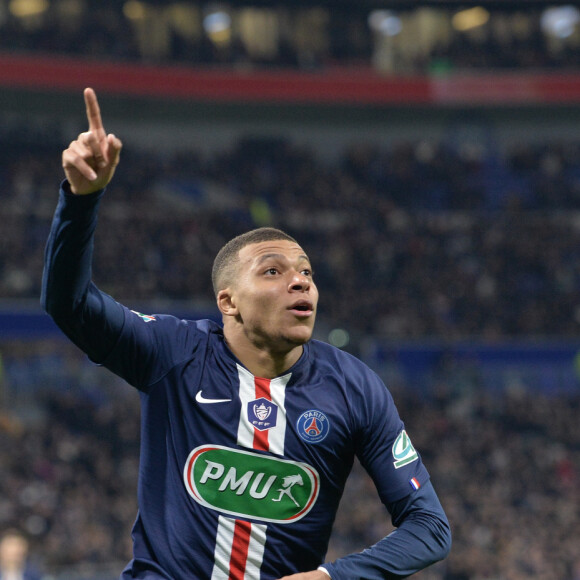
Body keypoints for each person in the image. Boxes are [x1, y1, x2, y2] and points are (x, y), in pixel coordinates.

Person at [41, 88, 451, 580]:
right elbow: (69, 304)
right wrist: (81, 202)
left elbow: (429, 526)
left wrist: (332, 577)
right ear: (228, 301)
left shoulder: (355, 387)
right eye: (273, 271)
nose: (300, 280)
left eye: (306, 272)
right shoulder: (175, 351)